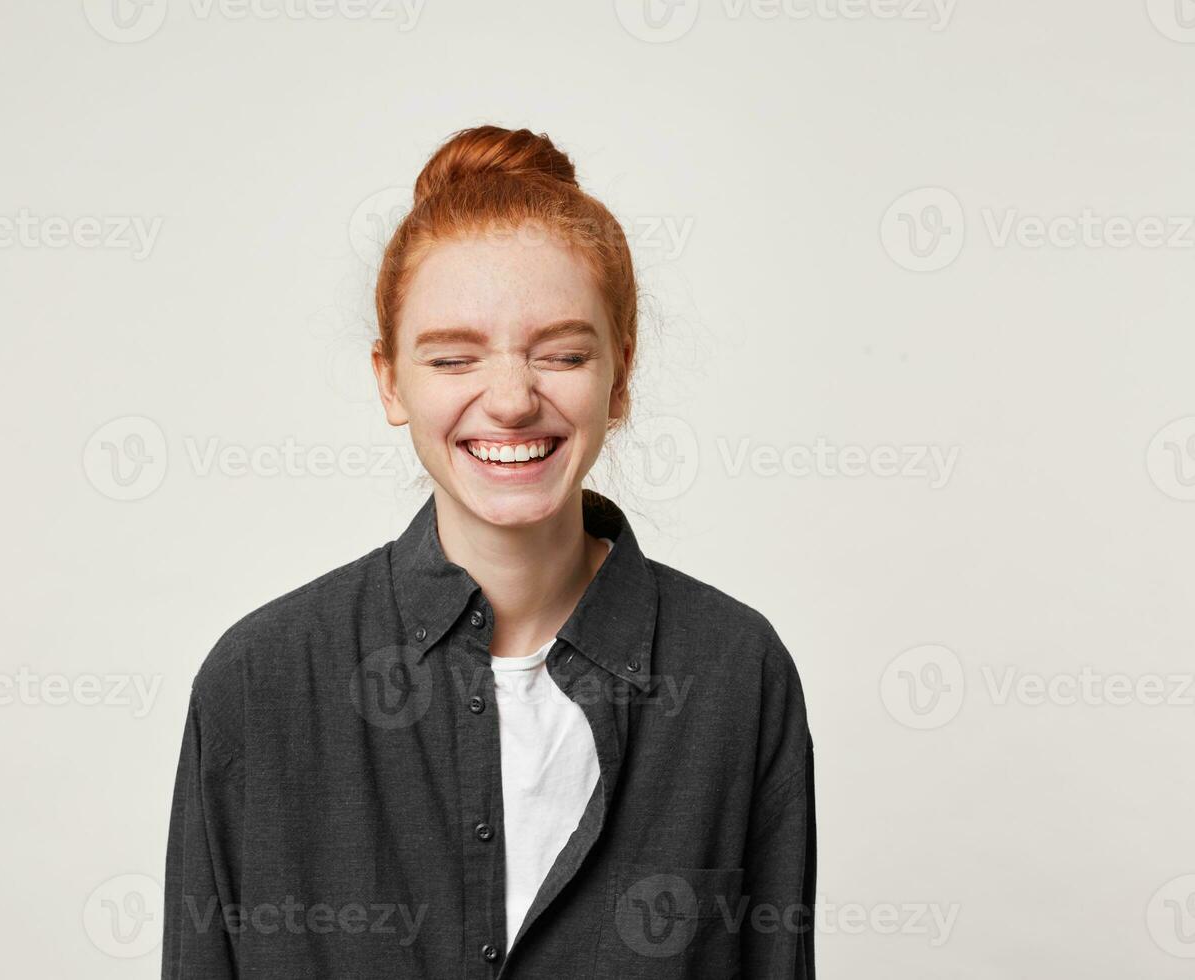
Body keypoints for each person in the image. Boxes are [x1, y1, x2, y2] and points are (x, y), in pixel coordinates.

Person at [162, 124, 816, 979]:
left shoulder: (737, 673)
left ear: (620, 377)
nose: (510, 400)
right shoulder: (259, 682)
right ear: (391, 380)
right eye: (454, 357)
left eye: (563, 353)